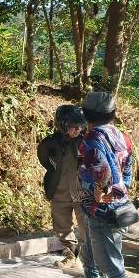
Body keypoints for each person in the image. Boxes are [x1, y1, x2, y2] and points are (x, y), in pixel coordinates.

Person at [59, 91, 136, 278]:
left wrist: (97, 195)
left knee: (110, 263)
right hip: (114, 206)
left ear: (86, 114)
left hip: (101, 208)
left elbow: (101, 174)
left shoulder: (91, 141)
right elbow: (129, 173)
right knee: (90, 255)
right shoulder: (122, 136)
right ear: (112, 114)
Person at [37, 105, 88, 268]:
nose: (78, 129)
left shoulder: (86, 142)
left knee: (86, 224)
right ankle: (70, 253)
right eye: (74, 126)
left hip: (82, 190)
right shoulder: (50, 144)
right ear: (63, 125)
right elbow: (45, 160)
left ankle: (88, 258)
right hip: (59, 189)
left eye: (80, 125)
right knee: (61, 225)